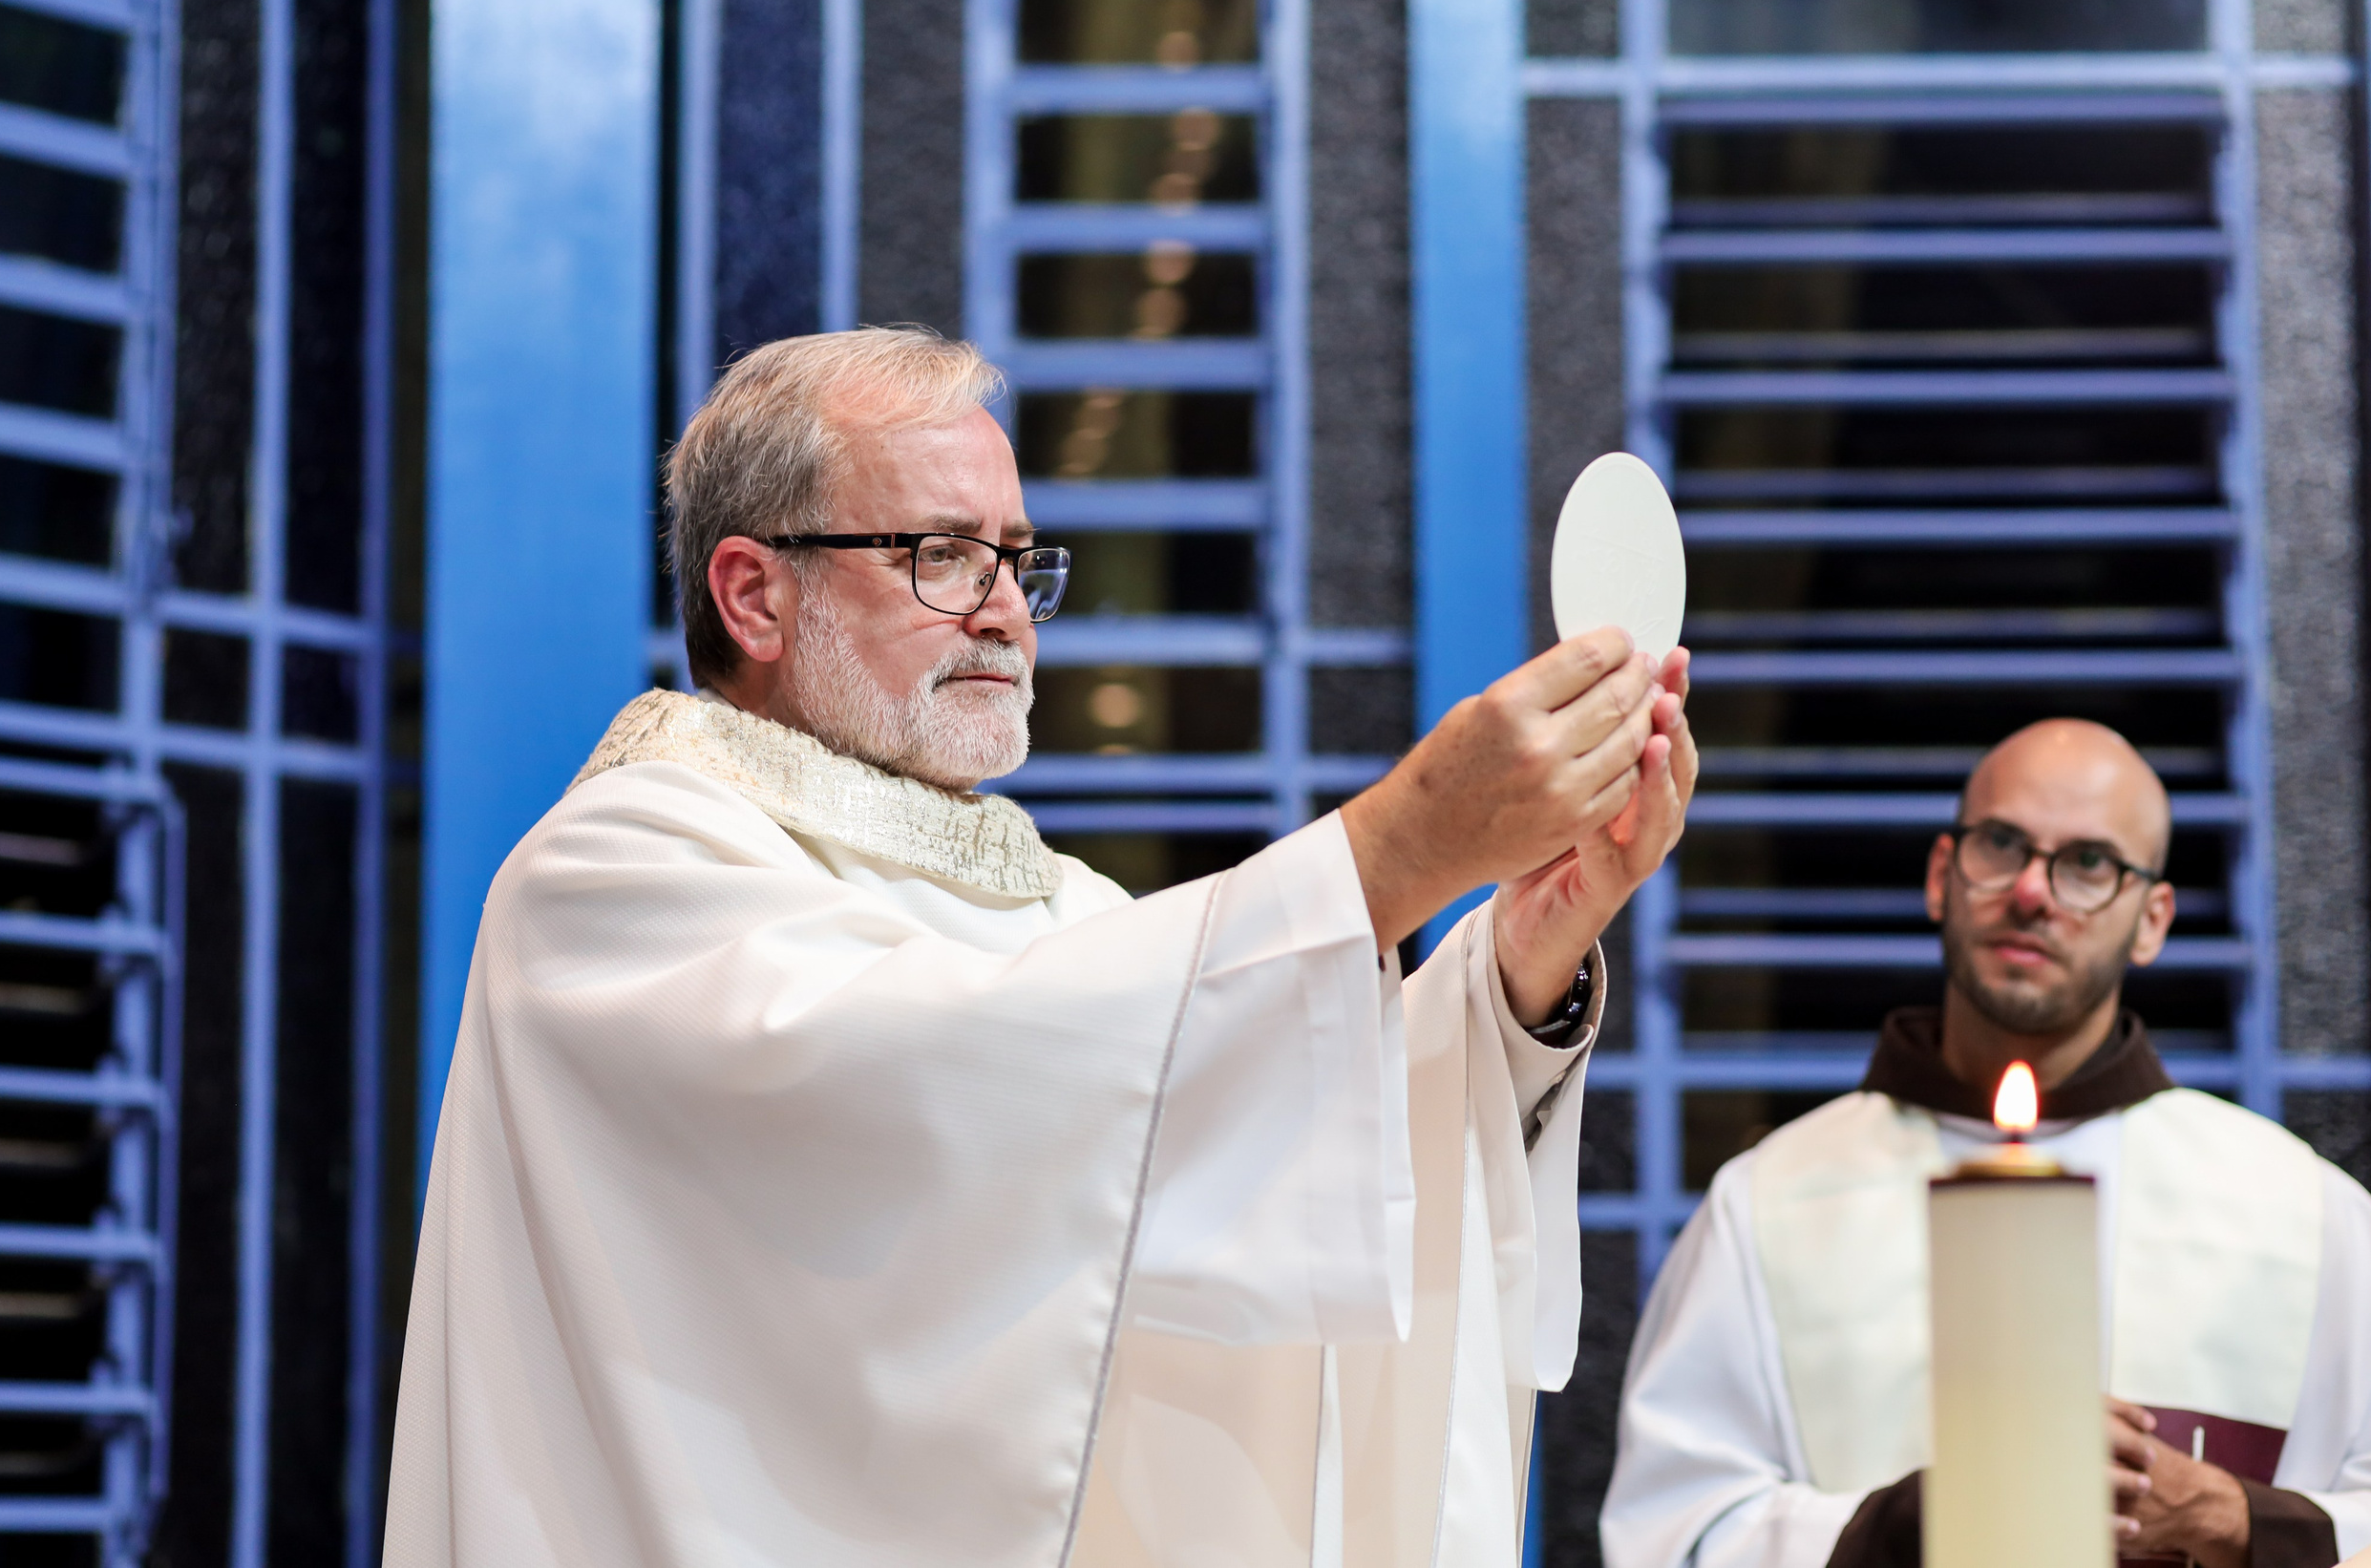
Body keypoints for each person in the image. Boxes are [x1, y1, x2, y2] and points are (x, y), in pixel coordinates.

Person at [384, 327, 1700, 1568]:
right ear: (754, 592)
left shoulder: (1055, 911)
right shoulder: (616, 874)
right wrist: (1393, 848)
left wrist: (1515, 966)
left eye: (1019, 559)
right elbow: (918, 1089)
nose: (1007, 610)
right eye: (942, 554)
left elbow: (1256, 1154)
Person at [1599, 719, 2371, 1568]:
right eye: (2003, 844)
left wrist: (2235, 1519)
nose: (2032, 891)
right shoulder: (1770, 1201)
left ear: (2152, 919)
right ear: (1943, 875)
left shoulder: (2305, 1211)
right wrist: (1906, 1525)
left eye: (2090, 863)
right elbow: (1673, 1532)